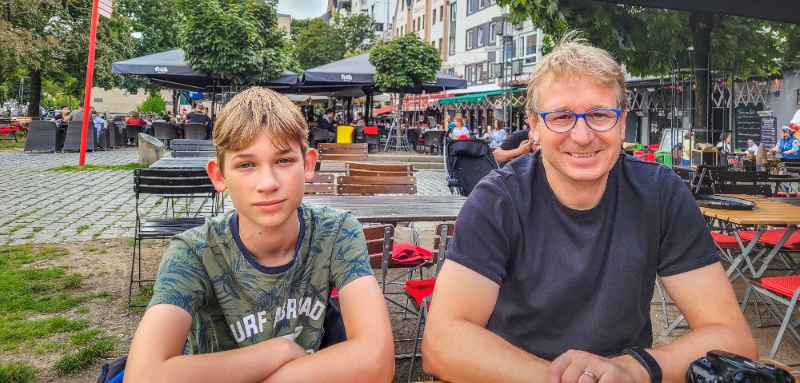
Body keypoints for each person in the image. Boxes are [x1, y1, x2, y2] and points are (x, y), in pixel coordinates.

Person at [422, 32, 756, 383]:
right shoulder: (497, 201)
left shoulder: (659, 193)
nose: (582, 136)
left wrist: (633, 369)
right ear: (534, 127)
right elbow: (442, 344)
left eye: (599, 114)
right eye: (562, 117)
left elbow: (734, 340)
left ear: (622, 121)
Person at [126, 87, 394, 382]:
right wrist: (279, 351)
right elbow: (142, 375)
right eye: (246, 165)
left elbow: (377, 359)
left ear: (307, 164)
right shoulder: (195, 254)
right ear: (219, 176)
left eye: (283, 161)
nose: (268, 183)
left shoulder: (336, 233)